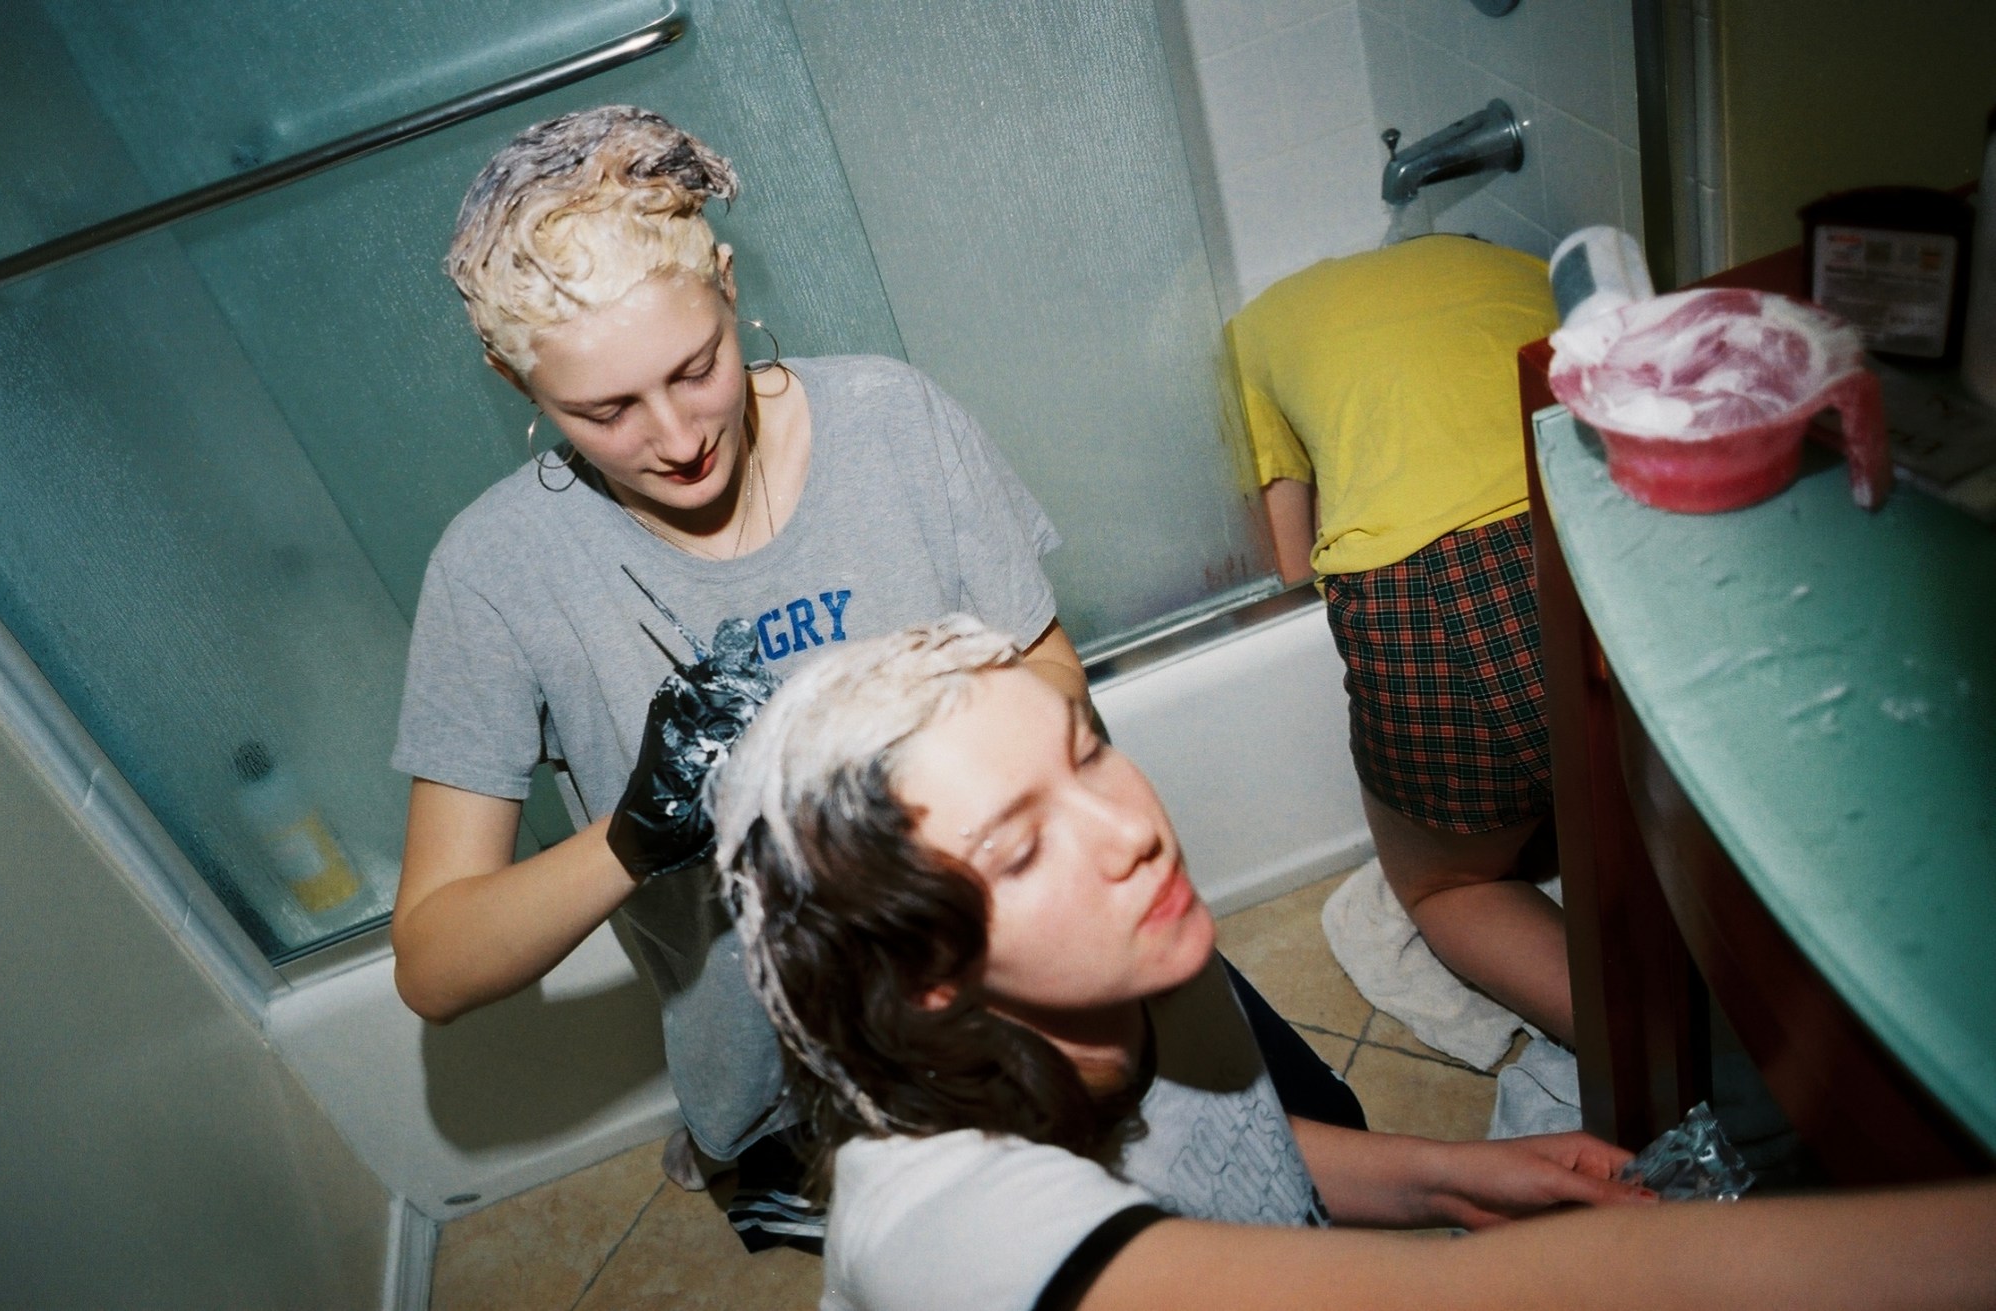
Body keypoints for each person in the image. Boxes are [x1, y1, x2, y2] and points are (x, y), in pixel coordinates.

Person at [709, 617, 1996, 1311]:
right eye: (1016, 845)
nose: (1131, 831)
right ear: (924, 975)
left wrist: (1458, 1175)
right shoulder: (949, 1236)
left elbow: (1214, 1143)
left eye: (1088, 748)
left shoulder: (1120, 953)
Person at [388, 105, 1092, 1249]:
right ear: (512, 383)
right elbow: (436, 965)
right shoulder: (495, 572)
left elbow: (1058, 685)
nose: (674, 438)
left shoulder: (892, 420)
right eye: (604, 410)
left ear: (725, 282)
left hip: (1001, 978)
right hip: (777, 1083)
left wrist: (909, 746)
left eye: (695, 368)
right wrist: (632, 834)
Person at [1227, 235, 1574, 1043]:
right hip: (1593, 518)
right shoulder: (1524, 262)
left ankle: (1667, 1061)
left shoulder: (1248, 336)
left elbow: (1284, 558)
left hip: (1429, 588)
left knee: (1448, 886)